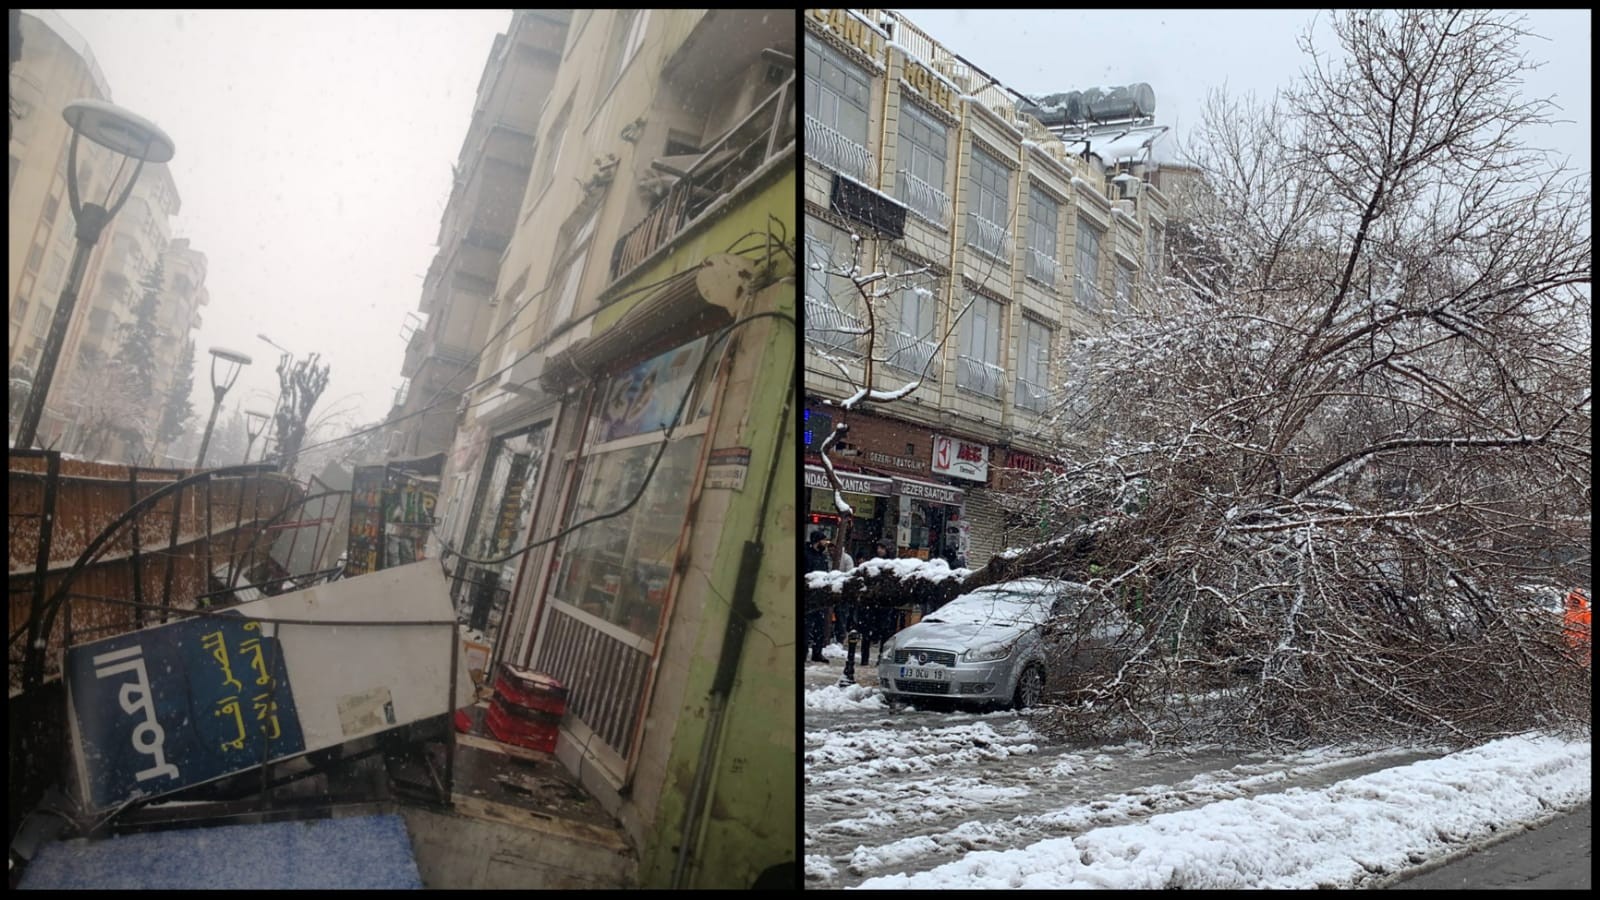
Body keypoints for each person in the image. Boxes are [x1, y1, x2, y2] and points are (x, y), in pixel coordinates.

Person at [804, 530, 831, 662]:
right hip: (809, 597)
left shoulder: (822, 556)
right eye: (823, 540)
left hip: (820, 598)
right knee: (806, 626)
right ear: (817, 541)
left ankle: (817, 652)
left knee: (820, 627)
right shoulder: (807, 555)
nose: (826, 542)